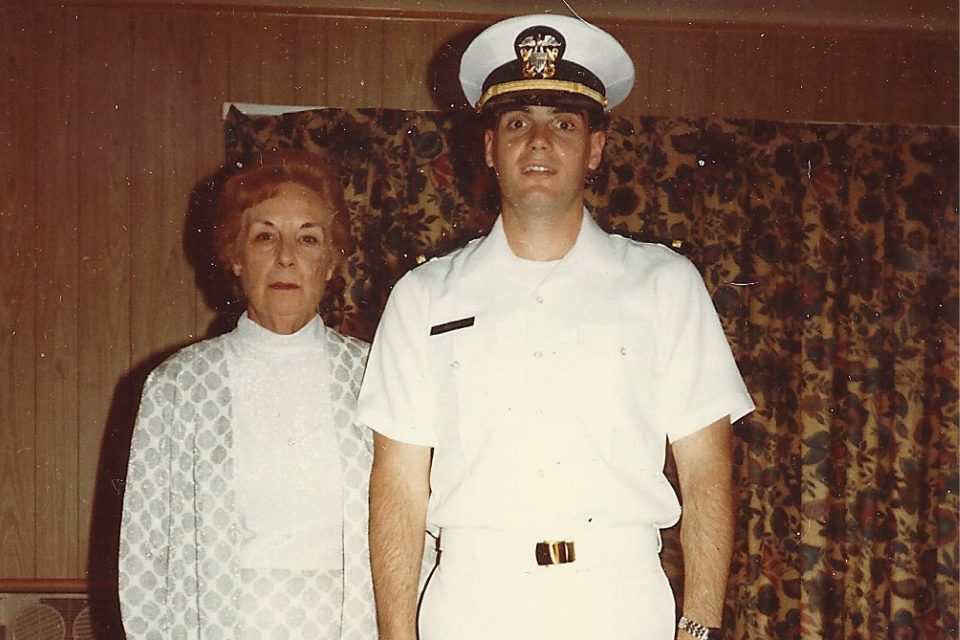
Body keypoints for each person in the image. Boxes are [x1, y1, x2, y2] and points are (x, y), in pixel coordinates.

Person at [358, 14, 755, 640]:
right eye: (518, 123)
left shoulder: (665, 285)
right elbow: (399, 484)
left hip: (619, 600)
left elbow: (707, 466)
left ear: (595, 148)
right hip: (470, 601)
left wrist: (701, 624)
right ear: (490, 147)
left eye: (563, 124)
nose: (539, 142)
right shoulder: (424, 297)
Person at [118, 148, 377, 639]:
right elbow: (142, 559)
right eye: (264, 237)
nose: (285, 256)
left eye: (307, 238)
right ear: (234, 258)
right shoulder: (178, 387)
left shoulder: (376, 376)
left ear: (330, 262)